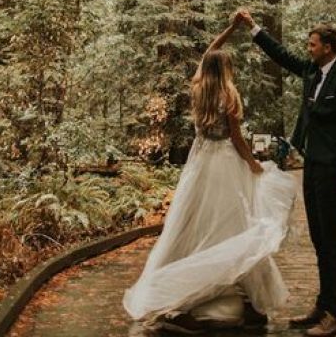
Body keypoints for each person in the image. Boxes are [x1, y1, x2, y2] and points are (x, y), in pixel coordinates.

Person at [123, 17, 297, 335]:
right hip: (225, 165)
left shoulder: (198, 88)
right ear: (225, 69)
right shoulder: (228, 96)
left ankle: (217, 300)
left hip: (200, 164)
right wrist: (254, 165)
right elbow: (237, 139)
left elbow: (208, 54)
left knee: (194, 227)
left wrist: (229, 30)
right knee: (235, 227)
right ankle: (243, 301)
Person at [236, 10, 336, 337]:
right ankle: (324, 306)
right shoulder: (311, 71)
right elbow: (282, 56)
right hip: (313, 168)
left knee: (334, 241)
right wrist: (253, 27)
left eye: (312, 44)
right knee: (320, 240)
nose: (308, 49)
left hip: (335, 171)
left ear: (328, 47)